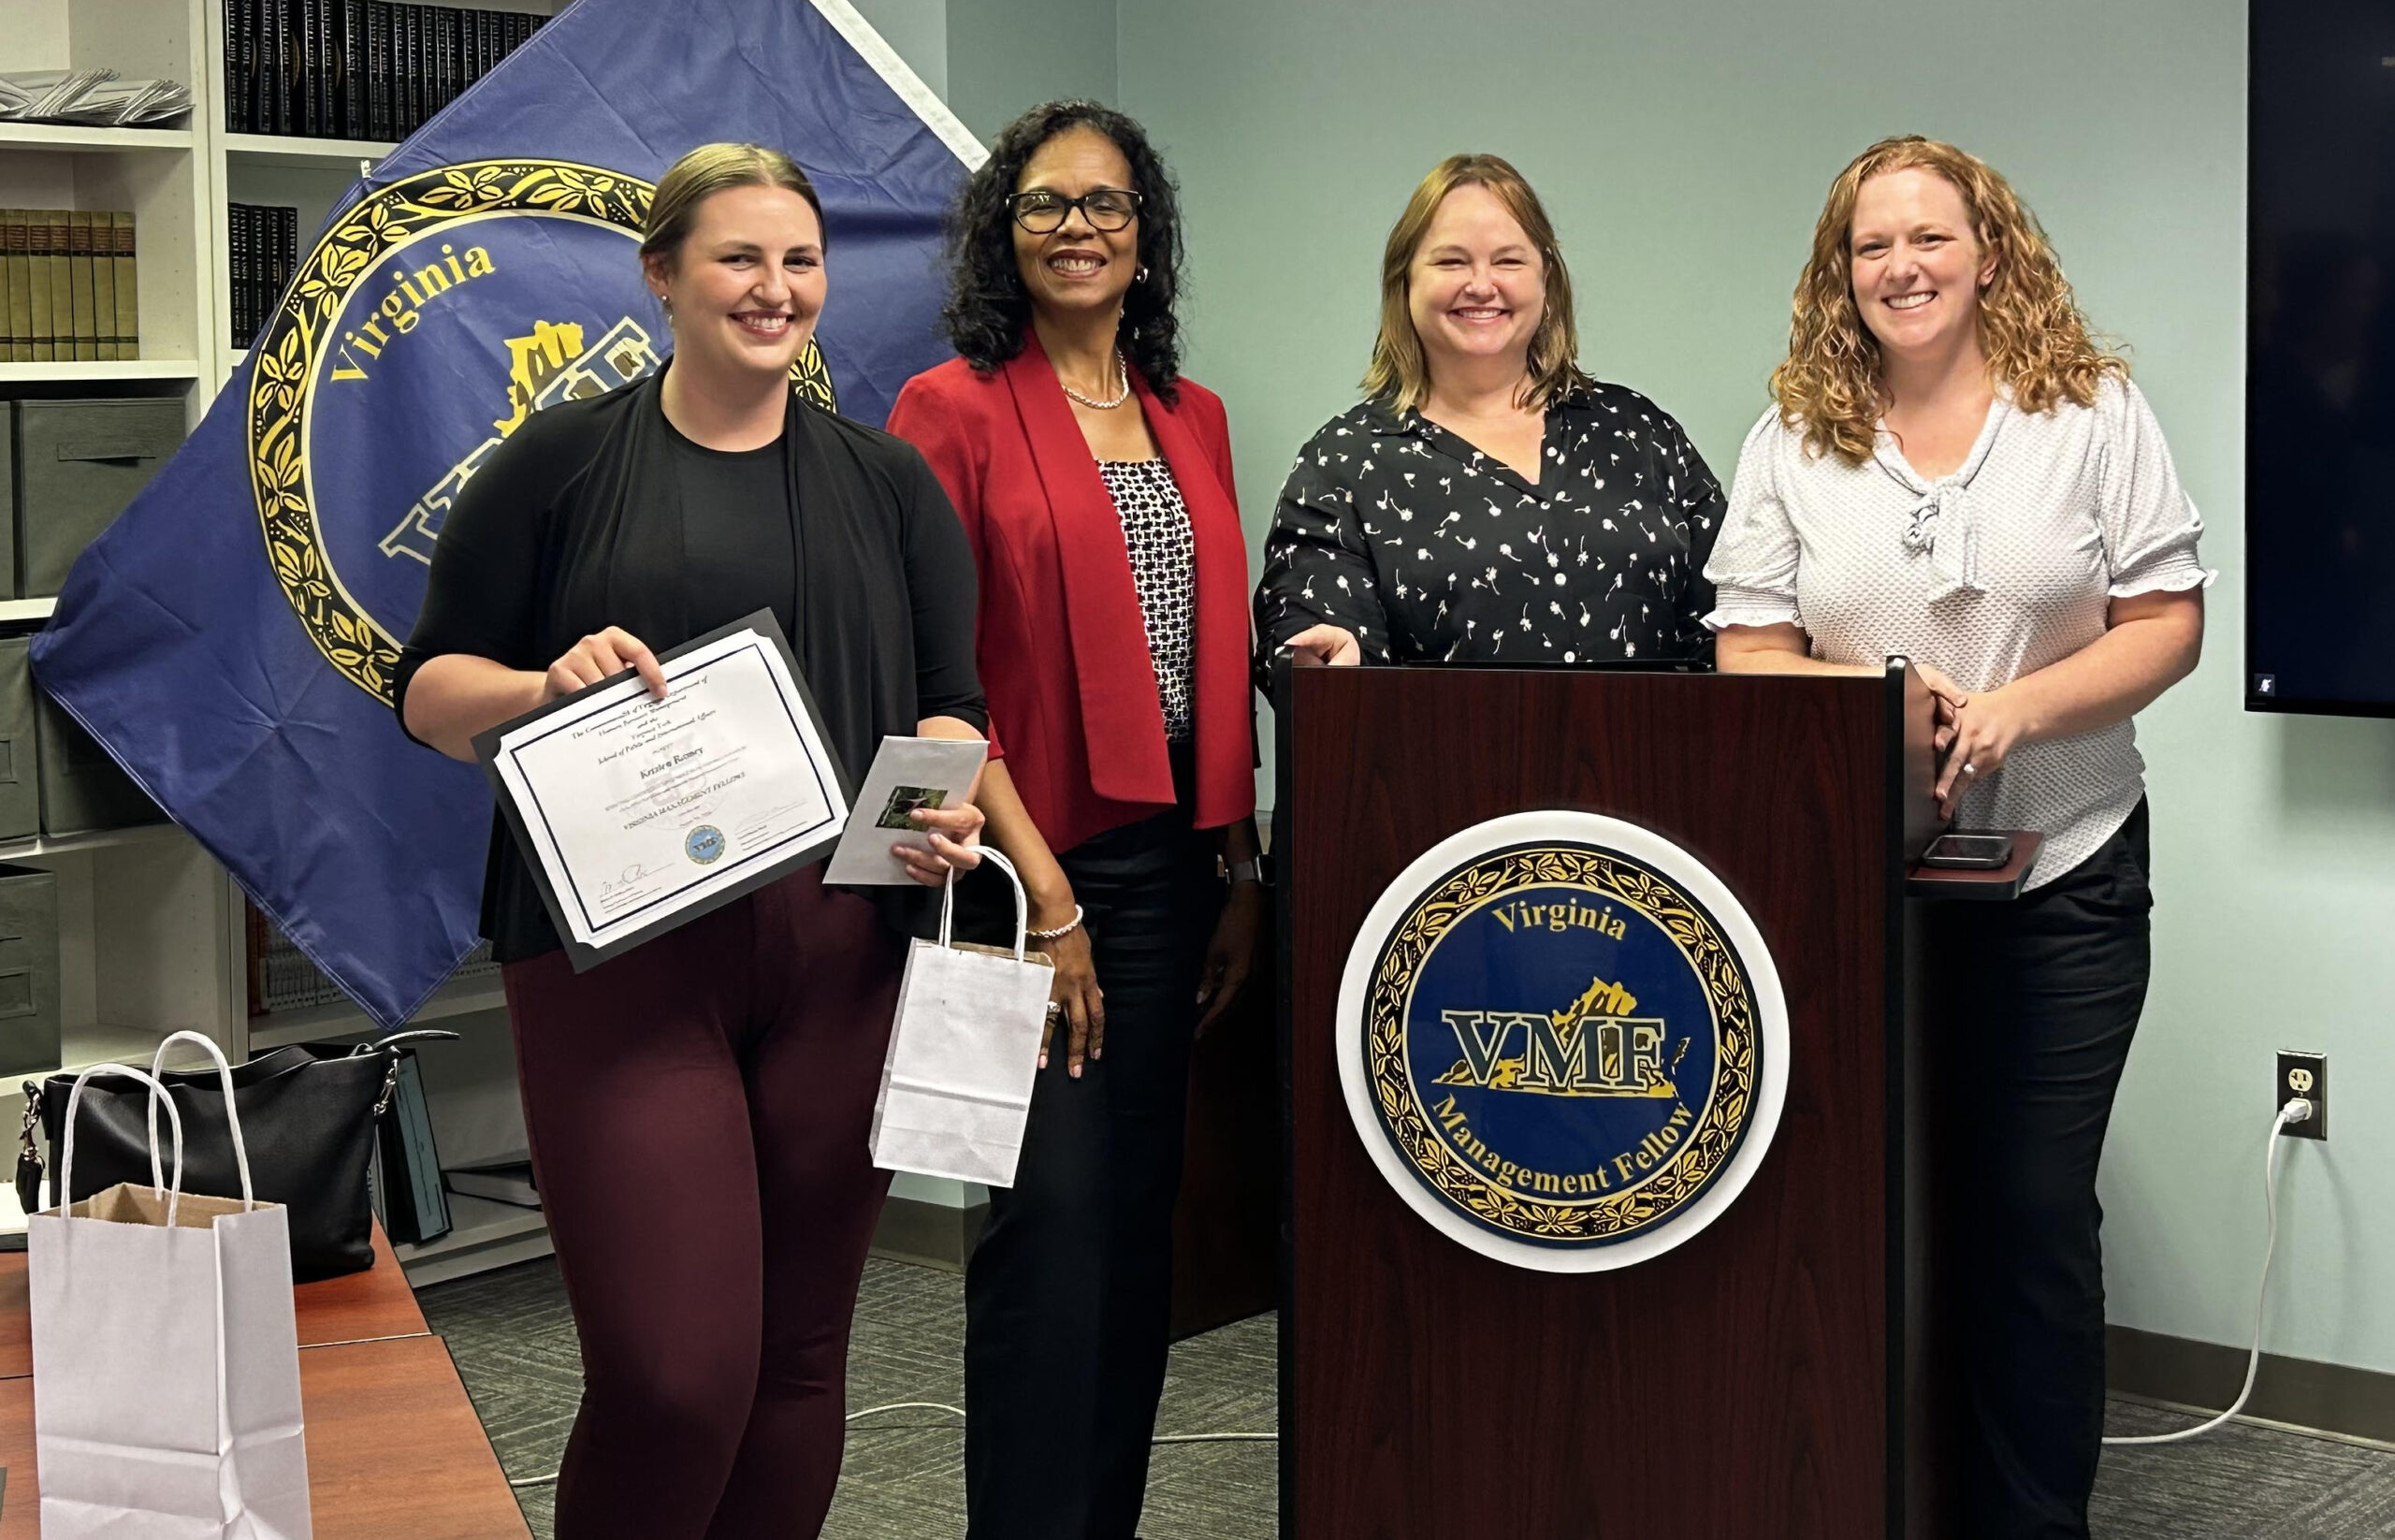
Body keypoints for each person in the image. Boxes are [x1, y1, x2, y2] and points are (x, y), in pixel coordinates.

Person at [395, 143, 989, 1540]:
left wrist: (930, 818)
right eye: (738, 257)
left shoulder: (889, 482)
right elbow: (430, 694)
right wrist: (542, 688)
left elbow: (951, 707)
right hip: (619, 968)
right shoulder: (558, 461)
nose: (773, 289)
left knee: (795, 1363)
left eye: (799, 260)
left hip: (843, 954)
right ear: (661, 275)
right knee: (674, 1376)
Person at [1705, 134, 2208, 1540]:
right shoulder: (1794, 432)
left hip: (2067, 865)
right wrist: (1882, 702)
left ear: (1990, 252)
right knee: (1866, 1209)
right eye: (1873, 245)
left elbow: (2169, 620)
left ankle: (2032, 1520)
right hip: (1863, 890)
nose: (1902, 266)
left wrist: (2016, 713)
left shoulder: (2088, 407)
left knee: (2032, 1214)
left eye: (1930, 237)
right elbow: (1748, 650)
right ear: (1840, 271)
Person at [887, 101, 1262, 1540]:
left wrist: (1236, 868)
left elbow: (1208, 659)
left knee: (1136, 1249)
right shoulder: (951, 408)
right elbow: (936, 681)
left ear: (1145, 233)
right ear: (1005, 230)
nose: (1079, 229)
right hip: (1016, 880)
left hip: (1173, 875)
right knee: (1048, 1238)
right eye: (1047, 205)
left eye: (1107, 205)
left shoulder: (1192, 414)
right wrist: (1052, 905)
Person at [1255, 152, 1722, 671]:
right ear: (1404, 281)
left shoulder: (1639, 432)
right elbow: (1311, 630)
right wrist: (1323, 658)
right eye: (1451, 261)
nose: (1481, 285)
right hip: (1440, 754)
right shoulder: (1342, 463)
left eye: (1508, 260)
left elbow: (1737, 616)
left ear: (1547, 279)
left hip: (1657, 750)